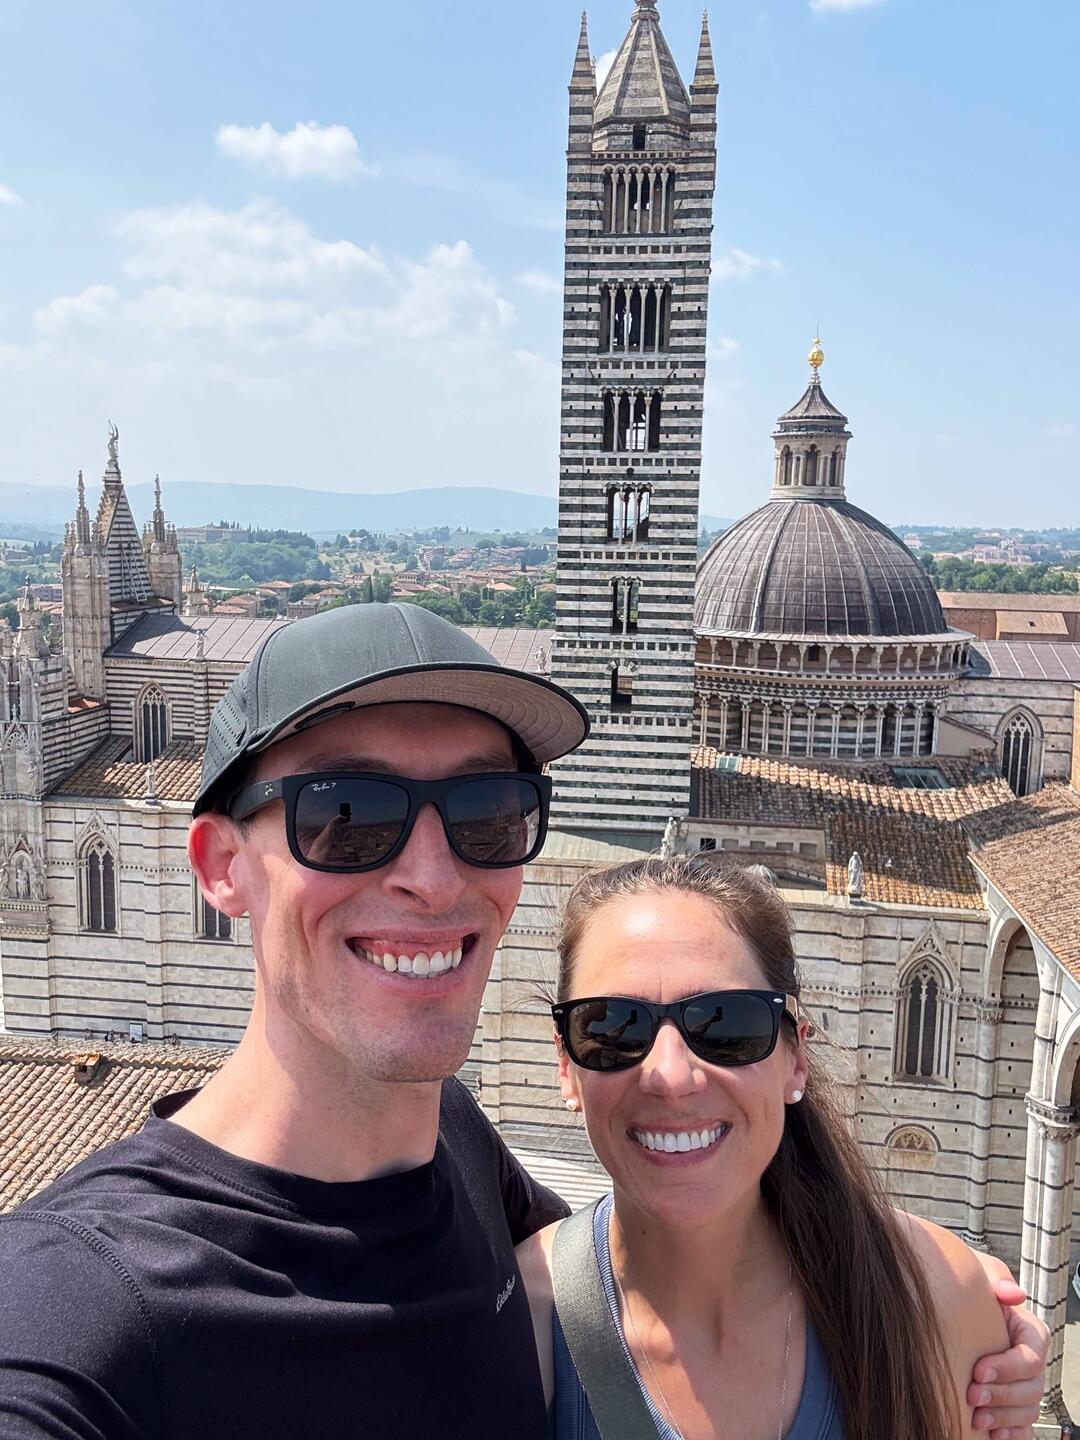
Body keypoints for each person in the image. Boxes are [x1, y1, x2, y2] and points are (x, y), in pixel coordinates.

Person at [0, 605, 1049, 1437]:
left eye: (485, 814)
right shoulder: (88, 1298)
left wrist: (938, 1295)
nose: (430, 873)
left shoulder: (454, 1146)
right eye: (346, 816)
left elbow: (671, 1220)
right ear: (221, 867)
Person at [517, 855, 1048, 1440]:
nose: (671, 1075)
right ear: (566, 1067)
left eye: (725, 1026)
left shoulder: (934, 1303)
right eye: (613, 1028)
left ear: (795, 1056)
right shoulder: (516, 1328)